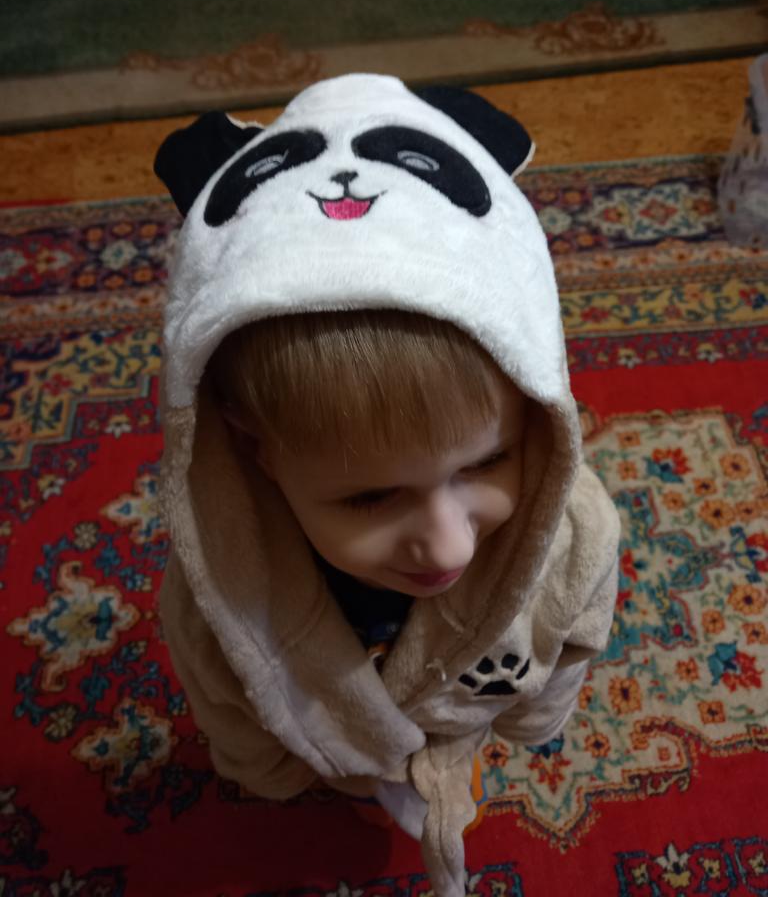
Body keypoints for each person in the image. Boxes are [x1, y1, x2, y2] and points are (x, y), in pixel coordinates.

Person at [154, 74, 620, 897]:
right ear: (256, 452)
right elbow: (231, 711)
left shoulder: (575, 537)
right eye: (369, 498)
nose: (445, 545)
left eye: (485, 464)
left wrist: (529, 720)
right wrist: (292, 771)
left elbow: (569, 645)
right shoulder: (221, 595)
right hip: (339, 754)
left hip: (453, 724)